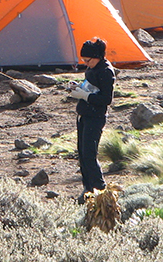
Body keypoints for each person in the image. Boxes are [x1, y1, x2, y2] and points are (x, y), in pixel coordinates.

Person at [69, 37, 115, 203]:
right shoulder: (91, 69)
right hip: (83, 115)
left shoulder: (106, 71)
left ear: (97, 57)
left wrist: (86, 96)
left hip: (95, 118)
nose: (86, 64)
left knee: (89, 153)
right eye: (84, 61)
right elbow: (90, 85)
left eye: (88, 60)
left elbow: (106, 99)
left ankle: (100, 190)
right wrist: (78, 88)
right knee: (81, 153)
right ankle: (87, 188)